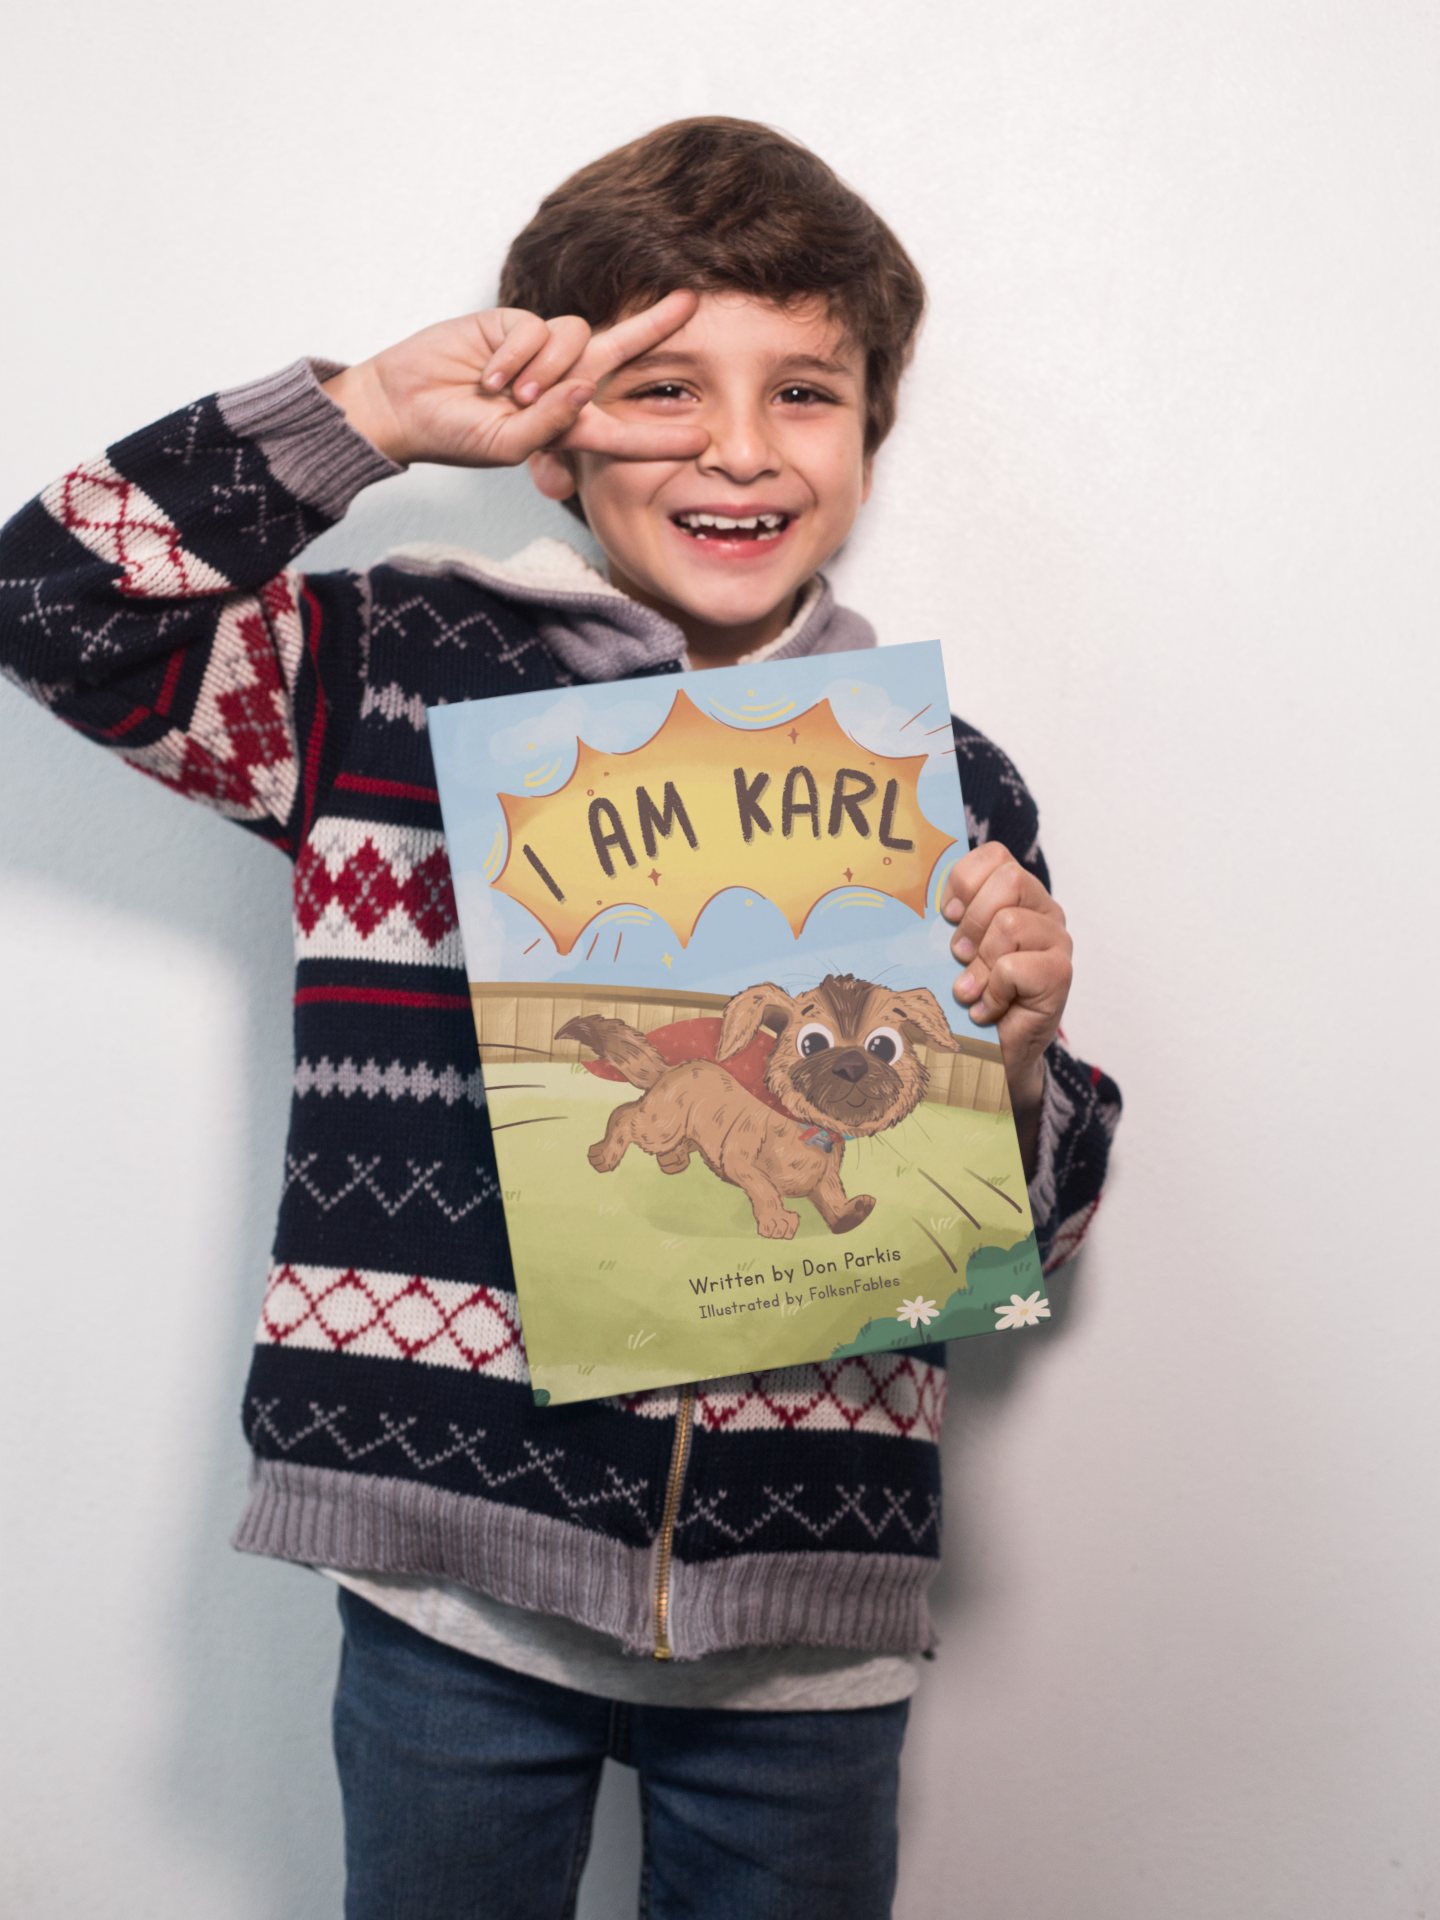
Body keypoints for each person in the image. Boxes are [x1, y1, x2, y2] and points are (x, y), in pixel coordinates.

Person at [0, 117, 1120, 1919]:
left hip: (803, 1625)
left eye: (805, 394)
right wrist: (362, 412)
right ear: (547, 436)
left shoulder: (951, 787)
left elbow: (1026, 1237)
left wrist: (1011, 1055)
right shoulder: (379, 683)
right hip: (457, 1590)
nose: (739, 448)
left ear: (869, 438)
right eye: (663, 387)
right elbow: (51, 606)